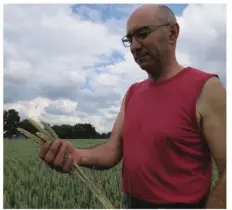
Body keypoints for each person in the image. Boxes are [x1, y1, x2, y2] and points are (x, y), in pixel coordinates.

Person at [39, 4, 226, 209]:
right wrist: (77, 155)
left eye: (143, 34)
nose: (135, 46)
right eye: (130, 39)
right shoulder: (132, 93)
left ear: (173, 33)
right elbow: (112, 150)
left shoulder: (207, 88)